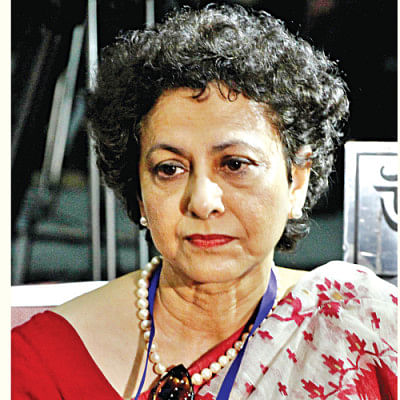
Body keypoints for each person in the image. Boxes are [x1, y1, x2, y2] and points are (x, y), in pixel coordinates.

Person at [12, 4, 397, 399]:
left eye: (235, 164)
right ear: (139, 192)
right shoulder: (37, 364)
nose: (202, 201)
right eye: (169, 169)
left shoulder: (359, 325)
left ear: (296, 180)